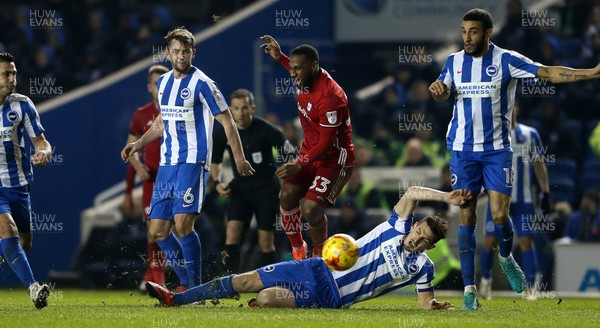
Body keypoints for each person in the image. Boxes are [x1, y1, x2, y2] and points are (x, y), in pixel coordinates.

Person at [428, 8, 600, 310]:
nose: (467, 37)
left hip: (496, 151)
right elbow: (443, 94)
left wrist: (591, 73)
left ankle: (506, 258)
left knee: (498, 216)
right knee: (467, 215)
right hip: (462, 149)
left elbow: (547, 72)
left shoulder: (506, 59)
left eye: (474, 31)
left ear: (488, 33)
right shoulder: (454, 62)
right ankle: (469, 291)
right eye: (464, 31)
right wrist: (438, 92)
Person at [145, 186, 472, 309]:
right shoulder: (395, 225)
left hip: (331, 296)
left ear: (430, 245)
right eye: (418, 231)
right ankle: (178, 298)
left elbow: (424, 301)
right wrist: (447, 197)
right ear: (415, 225)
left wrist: (435, 307)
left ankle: (262, 307)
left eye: (424, 241)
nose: (416, 239)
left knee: (266, 298)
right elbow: (413, 191)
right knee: (245, 280)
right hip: (317, 267)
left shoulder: (423, 267)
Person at [121, 27, 254, 290]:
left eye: (185, 51)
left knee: (182, 225)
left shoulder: (203, 83)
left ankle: (193, 286)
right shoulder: (163, 83)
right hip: (167, 164)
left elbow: (227, 121)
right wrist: (137, 143)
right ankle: (186, 284)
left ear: (193, 52)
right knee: (157, 231)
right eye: (176, 51)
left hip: (193, 161)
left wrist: (239, 158)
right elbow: (161, 123)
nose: (181, 56)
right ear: (168, 53)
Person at [260, 35, 355, 260]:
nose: (293, 74)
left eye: (298, 69)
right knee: (287, 195)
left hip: (335, 159)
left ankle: (319, 254)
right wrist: (280, 57)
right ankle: (298, 251)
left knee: (311, 209)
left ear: (314, 66)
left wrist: (298, 164)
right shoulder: (304, 78)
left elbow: (326, 141)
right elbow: (295, 69)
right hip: (310, 153)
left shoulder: (331, 96)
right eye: (291, 68)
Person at [479, 104, 551, 301]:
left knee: (527, 241)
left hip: (524, 200)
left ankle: (531, 287)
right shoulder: (490, 135)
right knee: (490, 242)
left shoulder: (530, 134)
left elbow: (539, 164)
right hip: (497, 199)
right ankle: (485, 282)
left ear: (517, 109)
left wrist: (545, 192)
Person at [211, 89, 287, 273]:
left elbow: (288, 158)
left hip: (266, 189)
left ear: (252, 108)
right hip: (240, 188)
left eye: (244, 108)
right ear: (230, 110)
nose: (240, 113)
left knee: (265, 241)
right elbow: (215, 161)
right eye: (236, 108)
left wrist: (285, 187)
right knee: (232, 232)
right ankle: (229, 282)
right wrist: (217, 182)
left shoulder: (268, 130)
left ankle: (270, 283)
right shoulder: (222, 133)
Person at [0, 52, 52, 309]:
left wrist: (44, 152)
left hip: (18, 185)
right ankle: (34, 288)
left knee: (24, 243)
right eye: (6, 74)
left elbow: (41, 141)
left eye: (13, 73)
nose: (12, 79)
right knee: (6, 228)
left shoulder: (22, 105)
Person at [122, 64, 169, 289]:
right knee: (153, 230)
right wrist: (139, 169)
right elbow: (129, 148)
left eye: (163, 82)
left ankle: (152, 275)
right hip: (152, 181)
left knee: (176, 228)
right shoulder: (142, 114)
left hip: (175, 178)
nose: (159, 87)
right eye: (156, 84)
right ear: (150, 86)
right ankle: (158, 278)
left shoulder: (179, 109)